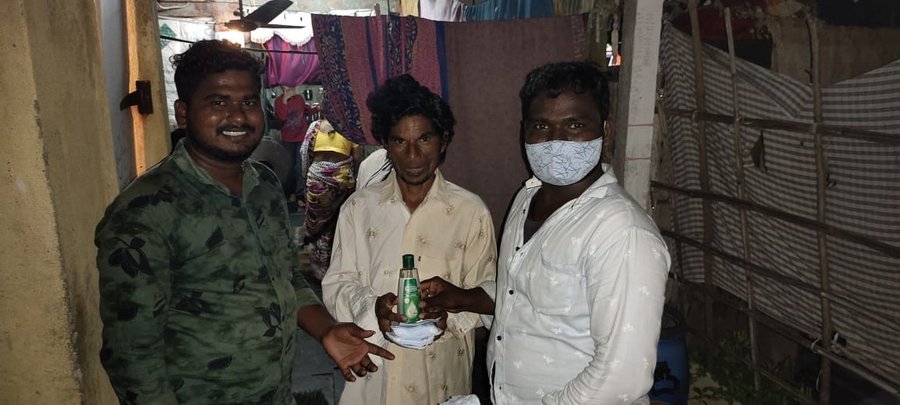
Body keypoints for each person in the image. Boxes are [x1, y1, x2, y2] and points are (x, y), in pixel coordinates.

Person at [95, 40, 393, 405]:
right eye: (218, 102)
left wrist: (326, 330)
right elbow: (132, 354)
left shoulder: (264, 184)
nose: (237, 116)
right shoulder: (146, 210)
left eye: (249, 102)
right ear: (183, 113)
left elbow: (286, 275)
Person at [420, 61, 671, 404]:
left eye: (575, 125)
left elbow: (622, 375)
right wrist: (464, 298)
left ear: (606, 131)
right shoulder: (527, 198)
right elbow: (524, 294)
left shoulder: (622, 232)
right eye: (541, 126)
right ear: (523, 131)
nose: (556, 141)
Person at [321, 74, 497, 405]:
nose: (413, 155)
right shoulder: (359, 208)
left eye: (425, 139)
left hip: (442, 373)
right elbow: (337, 284)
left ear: (444, 141)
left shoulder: (470, 211)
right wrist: (372, 308)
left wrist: (450, 314)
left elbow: (489, 292)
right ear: (385, 145)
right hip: (375, 367)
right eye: (400, 141)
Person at [299, 119, 360, 282]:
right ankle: (335, 268)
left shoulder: (314, 127)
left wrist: (306, 178)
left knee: (315, 225)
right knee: (336, 224)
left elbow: (304, 154)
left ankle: (319, 270)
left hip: (317, 182)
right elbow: (358, 157)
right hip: (342, 182)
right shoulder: (349, 127)